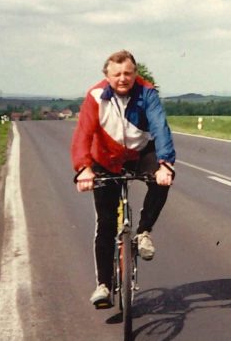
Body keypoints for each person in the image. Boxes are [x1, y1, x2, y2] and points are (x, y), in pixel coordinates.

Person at [71, 49, 176, 308]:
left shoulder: (147, 93)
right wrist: (83, 168)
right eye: (117, 74)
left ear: (135, 73)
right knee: (106, 222)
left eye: (128, 73)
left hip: (139, 153)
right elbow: (83, 134)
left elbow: (160, 127)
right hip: (105, 158)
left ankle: (143, 232)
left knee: (163, 178)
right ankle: (104, 286)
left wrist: (165, 164)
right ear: (107, 75)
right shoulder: (95, 96)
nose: (123, 78)